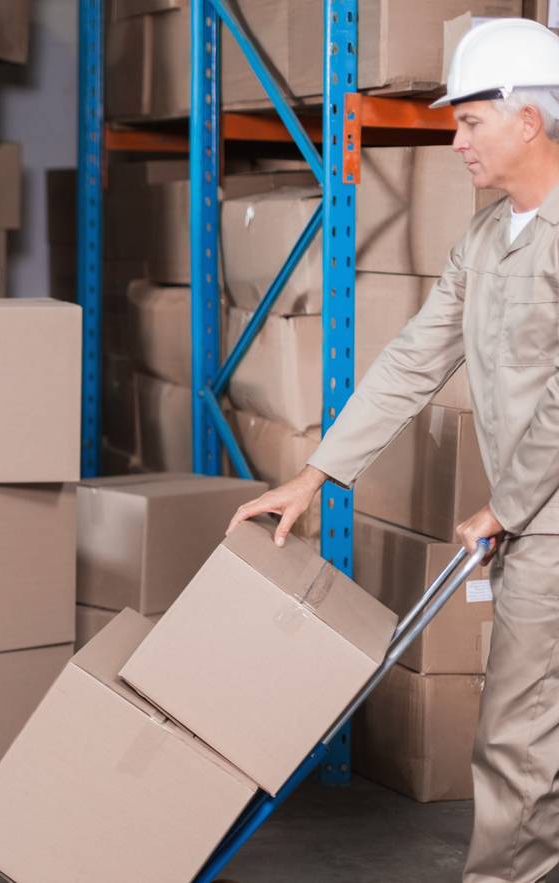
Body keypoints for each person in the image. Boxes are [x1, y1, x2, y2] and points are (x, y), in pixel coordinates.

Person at [227, 19, 559, 883]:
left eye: (471, 122)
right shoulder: (490, 238)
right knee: (529, 729)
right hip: (535, 519)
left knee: (520, 737)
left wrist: (507, 504)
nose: (455, 141)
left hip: (547, 519)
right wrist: (317, 473)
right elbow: (414, 358)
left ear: (528, 119)